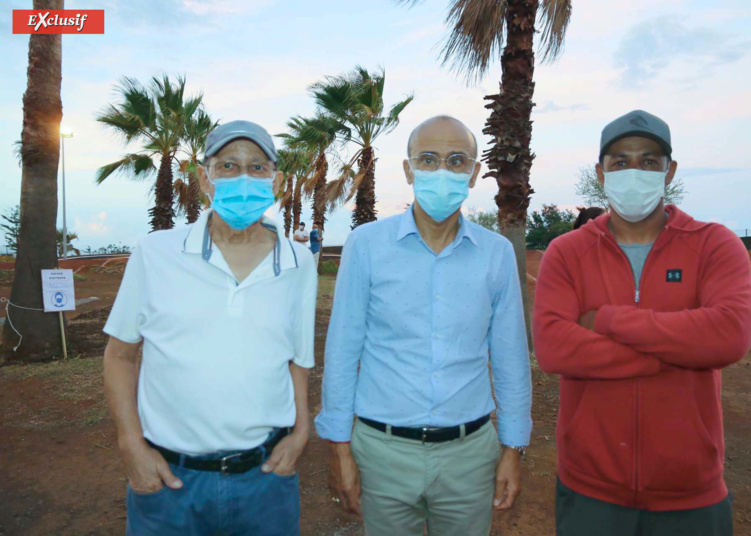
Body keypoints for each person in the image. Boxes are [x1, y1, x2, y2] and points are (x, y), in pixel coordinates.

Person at [533, 110, 751, 536]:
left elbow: (728, 336)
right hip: (589, 490)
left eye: (649, 161)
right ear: (600, 172)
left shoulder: (715, 244)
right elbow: (554, 348)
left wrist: (609, 320)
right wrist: (678, 351)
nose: (634, 172)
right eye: (620, 162)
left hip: (691, 493)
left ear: (669, 171)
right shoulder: (566, 252)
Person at [316, 115, 532, 536]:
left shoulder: (496, 253)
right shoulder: (367, 245)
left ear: (472, 175)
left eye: (456, 161)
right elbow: (343, 350)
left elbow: (510, 358)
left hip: (469, 455)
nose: (442, 172)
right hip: (382, 452)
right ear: (408, 169)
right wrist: (339, 448)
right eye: (428, 159)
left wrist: (512, 447)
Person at [103, 120, 317, 536]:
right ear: (205, 178)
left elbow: (299, 358)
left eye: (258, 168)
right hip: (170, 480)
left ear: (277, 180)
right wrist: (130, 444)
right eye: (228, 166)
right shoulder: (156, 252)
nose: (244, 178)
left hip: (266, 478)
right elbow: (120, 354)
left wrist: (301, 430)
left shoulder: (298, 263)